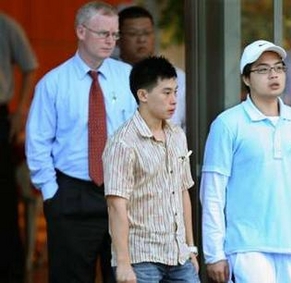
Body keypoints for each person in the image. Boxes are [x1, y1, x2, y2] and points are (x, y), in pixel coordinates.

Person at [200, 39, 291, 283]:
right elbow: (212, 194)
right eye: (262, 69)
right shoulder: (227, 124)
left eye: (279, 67)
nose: (273, 75)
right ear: (246, 79)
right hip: (246, 248)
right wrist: (214, 254)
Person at [25, 1, 137, 282]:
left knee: (125, 276)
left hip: (122, 193)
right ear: (81, 31)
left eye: (115, 35)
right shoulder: (53, 83)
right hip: (71, 195)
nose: (110, 41)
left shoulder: (128, 78)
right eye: (103, 34)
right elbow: (37, 142)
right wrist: (52, 193)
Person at [103, 55, 200, 283]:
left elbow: (183, 191)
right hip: (141, 258)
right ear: (143, 95)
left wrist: (191, 247)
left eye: (176, 91)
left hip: (179, 256)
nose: (174, 99)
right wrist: (124, 264)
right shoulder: (122, 143)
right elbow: (116, 206)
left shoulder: (177, 135)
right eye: (166, 93)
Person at [0, 11, 38, 283]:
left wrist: (21, 109)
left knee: (3, 198)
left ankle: (12, 271)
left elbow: (29, 65)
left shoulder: (5, 25)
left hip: (0, 115)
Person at [116, 5, 187, 131]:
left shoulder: (177, 77)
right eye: (133, 34)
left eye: (147, 33)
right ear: (117, 38)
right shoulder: (110, 77)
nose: (141, 39)